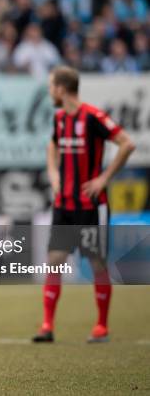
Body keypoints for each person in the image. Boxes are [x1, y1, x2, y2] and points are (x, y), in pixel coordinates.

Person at [33, 66, 135, 344]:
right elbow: (52, 146)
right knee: (54, 260)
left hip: (91, 204)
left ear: (62, 88)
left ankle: (101, 326)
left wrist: (103, 178)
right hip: (64, 203)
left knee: (97, 263)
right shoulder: (60, 119)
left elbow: (126, 144)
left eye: (51, 86)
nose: (49, 91)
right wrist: (54, 175)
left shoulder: (93, 117)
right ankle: (47, 326)